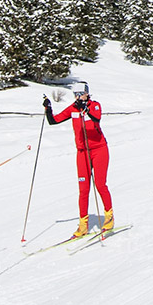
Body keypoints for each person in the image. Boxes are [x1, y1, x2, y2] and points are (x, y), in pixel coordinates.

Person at [45, 80, 113, 236]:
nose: (78, 97)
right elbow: (53, 121)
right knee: (83, 190)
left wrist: (86, 110)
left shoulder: (95, 105)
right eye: (75, 95)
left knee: (100, 184)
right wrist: (48, 108)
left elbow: (96, 119)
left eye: (81, 94)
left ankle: (109, 217)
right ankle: (83, 225)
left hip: (99, 150)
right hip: (82, 153)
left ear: (87, 93)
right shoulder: (73, 109)